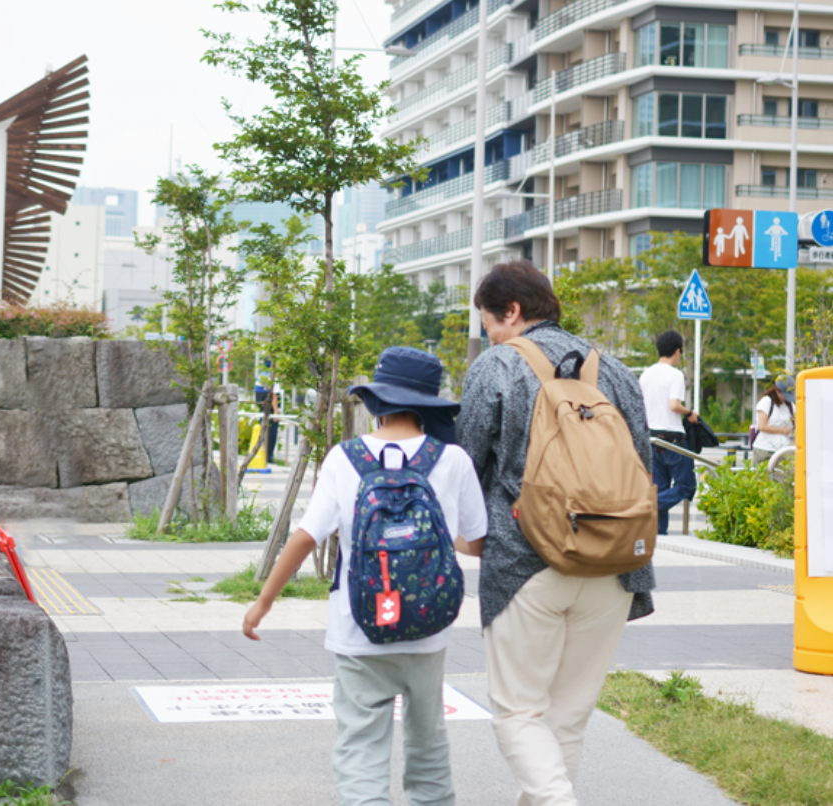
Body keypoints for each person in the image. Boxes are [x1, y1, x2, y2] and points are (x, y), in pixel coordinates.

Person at [242, 346, 488, 806]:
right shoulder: (451, 459)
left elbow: (305, 537)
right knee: (428, 744)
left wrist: (265, 601)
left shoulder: (344, 457)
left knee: (361, 751)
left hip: (358, 628)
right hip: (427, 628)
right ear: (429, 406)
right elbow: (475, 541)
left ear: (375, 402)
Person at [455, 260, 655, 806]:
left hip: (527, 562)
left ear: (512, 312)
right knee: (566, 719)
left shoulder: (495, 366)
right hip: (614, 563)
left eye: (488, 322)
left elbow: (466, 468)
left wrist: (465, 537)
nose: (489, 334)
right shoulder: (614, 369)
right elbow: (642, 468)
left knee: (519, 711)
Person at [639, 330, 698, 536]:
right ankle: (647, 506)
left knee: (661, 487)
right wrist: (689, 412)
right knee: (686, 486)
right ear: (677, 351)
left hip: (651, 437)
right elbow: (674, 405)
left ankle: (659, 536)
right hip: (671, 439)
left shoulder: (646, 374)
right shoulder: (675, 375)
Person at [753, 375, 796, 466]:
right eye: (785, 395)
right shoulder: (766, 402)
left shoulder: (791, 406)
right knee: (762, 479)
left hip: (784, 449)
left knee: (784, 478)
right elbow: (762, 426)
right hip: (764, 449)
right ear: (777, 391)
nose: (786, 398)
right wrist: (782, 431)